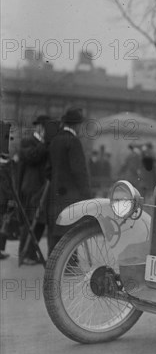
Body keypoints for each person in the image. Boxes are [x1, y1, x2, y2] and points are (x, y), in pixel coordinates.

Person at [46, 108, 92, 253]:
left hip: (55, 193)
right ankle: (70, 263)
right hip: (71, 195)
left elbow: (48, 169)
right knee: (70, 229)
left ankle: (54, 262)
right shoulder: (73, 142)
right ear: (76, 125)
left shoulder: (55, 140)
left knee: (57, 228)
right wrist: (87, 194)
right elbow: (79, 171)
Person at [17, 115, 51, 265]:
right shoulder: (28, 141)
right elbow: (33, 157)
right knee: (30, 221)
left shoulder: (46, 143)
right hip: (30, 187)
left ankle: (31, 253)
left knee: (40, 223)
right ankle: (24, 253)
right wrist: (44, 143)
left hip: (43, 188)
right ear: (39, 127)